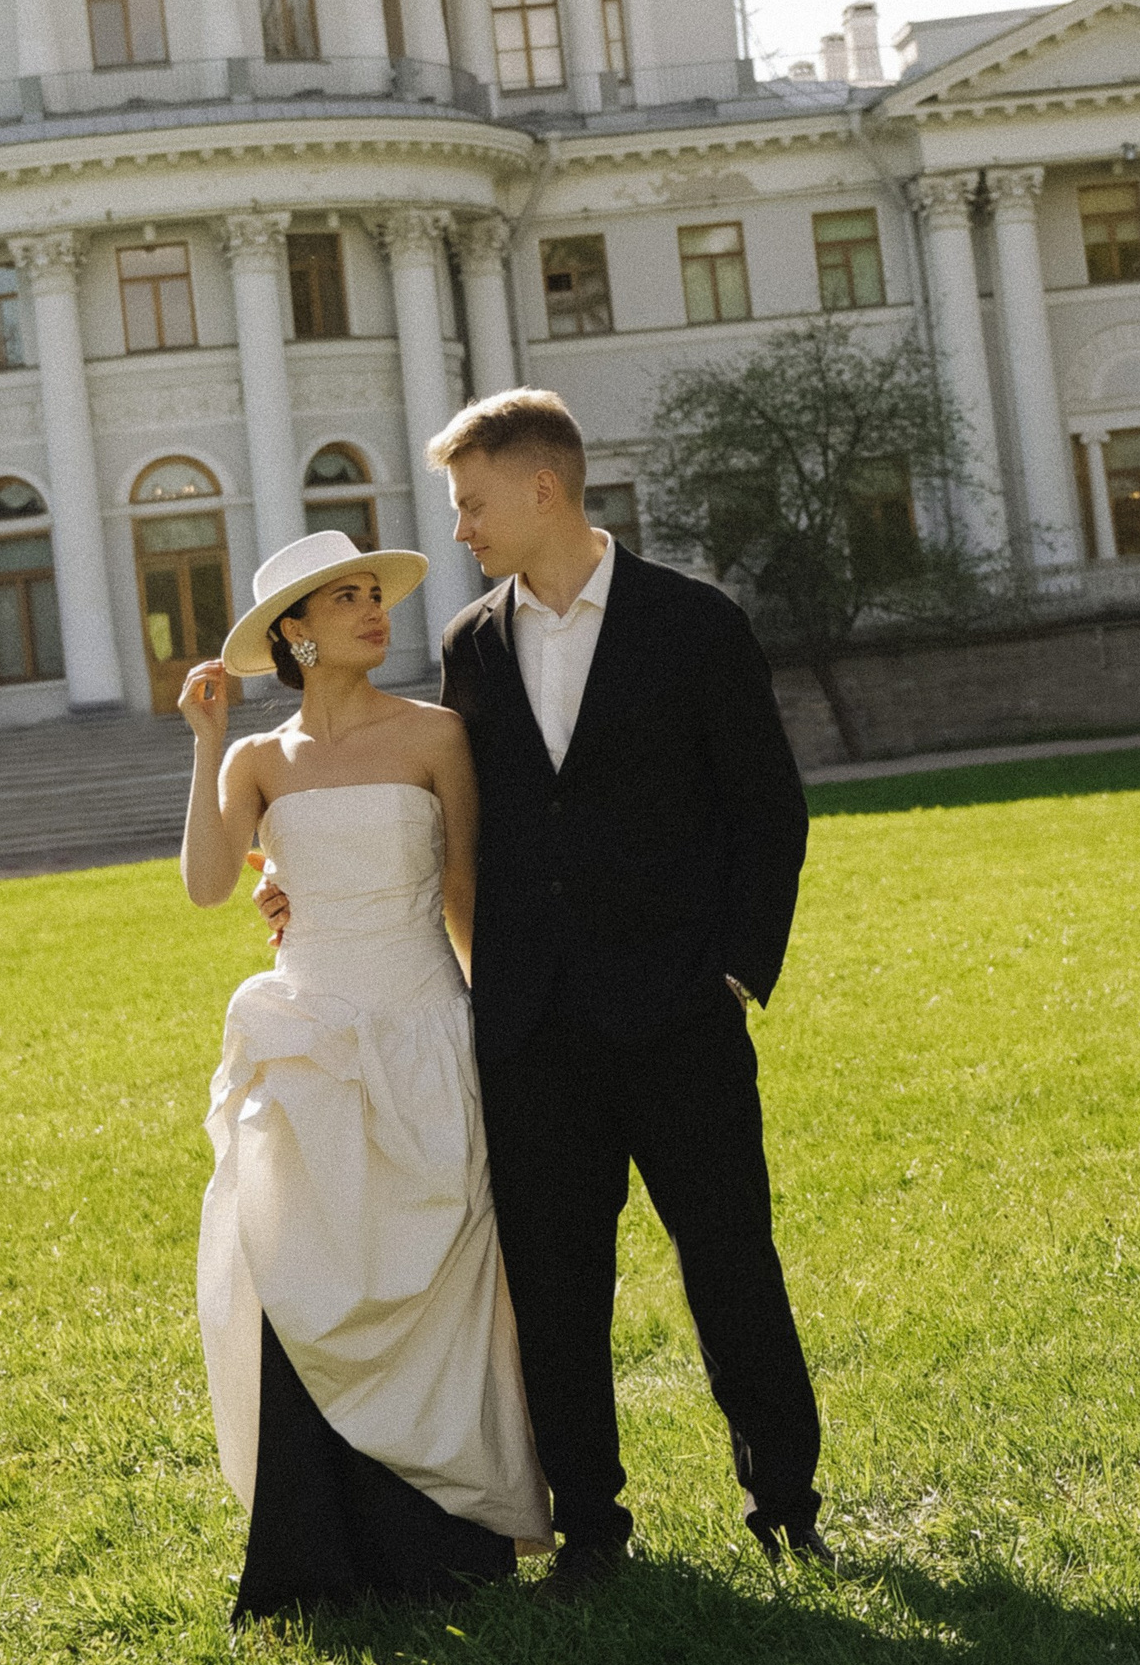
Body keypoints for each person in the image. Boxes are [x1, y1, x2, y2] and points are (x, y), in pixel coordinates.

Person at [263, 388, 828, 1593]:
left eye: (471, 502)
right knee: (555, 1293)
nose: (460, 526)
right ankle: (591, 1527)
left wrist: (735, 964)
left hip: (680, 1013)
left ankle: (784, 1500)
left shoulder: (696, 622)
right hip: (529, 1030)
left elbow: (767, 810)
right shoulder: (472, 642)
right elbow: (446, 827)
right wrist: (297, 880)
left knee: (732, 1260)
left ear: (543, 489)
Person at [176, 527, 550, 1624]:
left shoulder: (437, 734)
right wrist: (204, 742)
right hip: (306, 1042)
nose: (371, 608)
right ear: (293, 632)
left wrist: (495, 1025)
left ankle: (446, 1542)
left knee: (435, 1269)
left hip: (426, 1023)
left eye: (373, 591)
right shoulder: (256, 760)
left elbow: (464, 888)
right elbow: (208, 882)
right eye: (344, 597)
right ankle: (316, 1543)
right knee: (303, 1266)